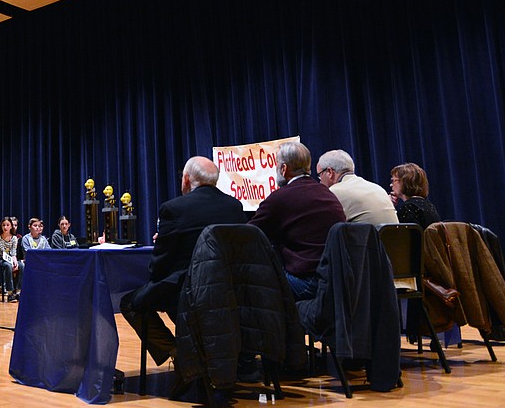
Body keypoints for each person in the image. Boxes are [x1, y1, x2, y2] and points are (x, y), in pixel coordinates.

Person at [120, 156, 244, 366]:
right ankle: (198, 352)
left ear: (186, 179)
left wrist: (163, 244)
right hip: (229, 290)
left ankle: (179, 353)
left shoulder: (174, 209)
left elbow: (159, 266)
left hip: (187, 289)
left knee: (131, 303)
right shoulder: (234, 206)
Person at [249, 141, 346, 300]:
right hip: (334, 280)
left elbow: (247, 234)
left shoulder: (279, 198)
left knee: (249, 284)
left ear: (284, 169)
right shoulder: (327, 193)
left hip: (306, 283)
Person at [316, 150, 399, 226]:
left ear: (330, 172)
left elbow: (321, 226)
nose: (320, 181)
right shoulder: (377, 188)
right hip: (397, 241)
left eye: (320, 175)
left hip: (368, 242)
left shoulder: (334, 192)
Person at [389, 162, 442, 229]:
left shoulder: (408, 208)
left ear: (405, 181)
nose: (391, 185)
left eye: (393, 181)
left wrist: (390, 207)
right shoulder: (429, 205)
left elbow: (402, 237)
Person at [0, 216, 20, 301]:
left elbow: (13, 252)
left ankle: (18, 291)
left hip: (9, 259)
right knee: (8, 265)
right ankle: (10, 293)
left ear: (11, 226)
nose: (5, 227)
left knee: (21, 265)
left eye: (7, 225)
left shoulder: (14, 238)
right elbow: (2, 251)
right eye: (3, 225)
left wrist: (15, 262)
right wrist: (11, 262)